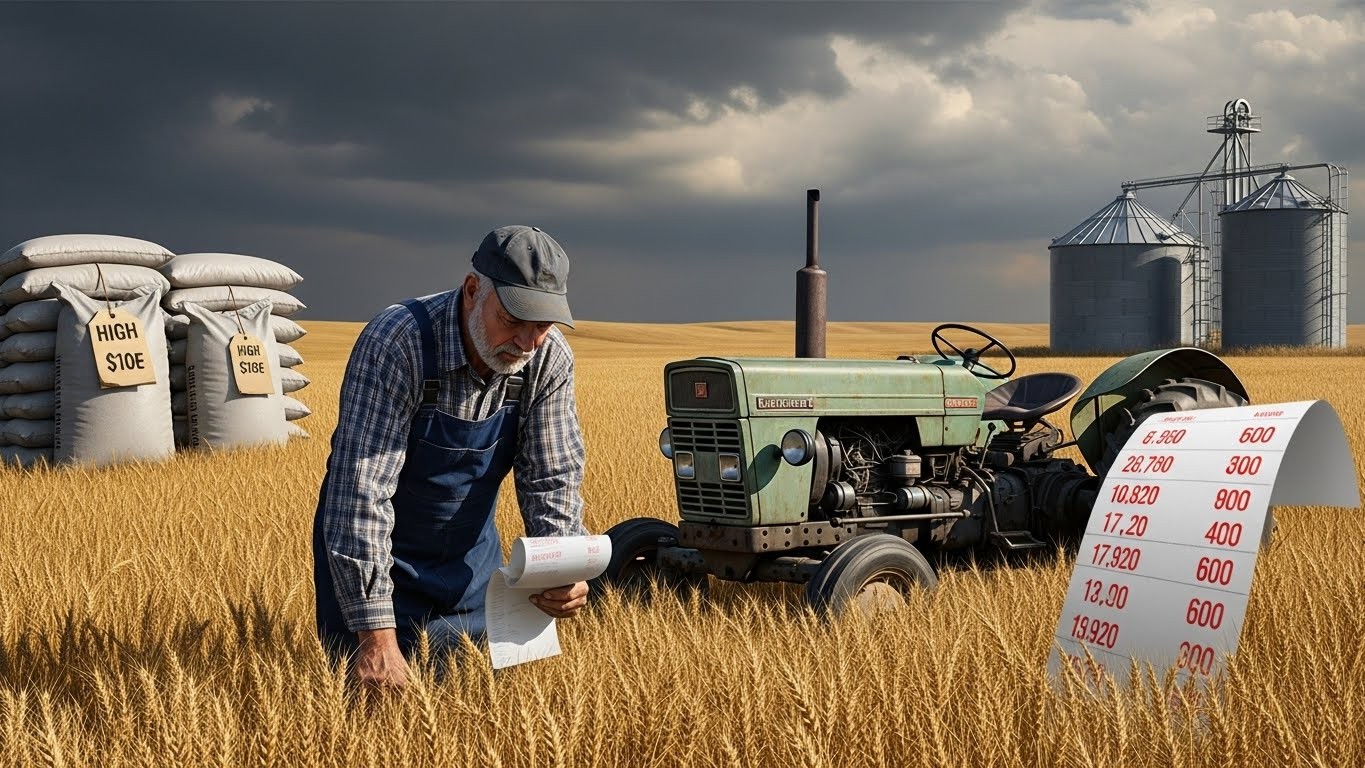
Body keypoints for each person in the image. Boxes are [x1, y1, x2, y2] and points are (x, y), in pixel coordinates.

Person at [312, 224, 590, 689]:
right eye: (512, 319)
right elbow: (360, 495)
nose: (526, 342)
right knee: (372, 714)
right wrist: (375, 638)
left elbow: (552, 476)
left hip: (471, 568)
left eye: (541, 325)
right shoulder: (399, 342)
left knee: (476, 704)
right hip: (379, 567)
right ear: (471, 290)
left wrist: (561, 568)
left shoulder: (547, 360)